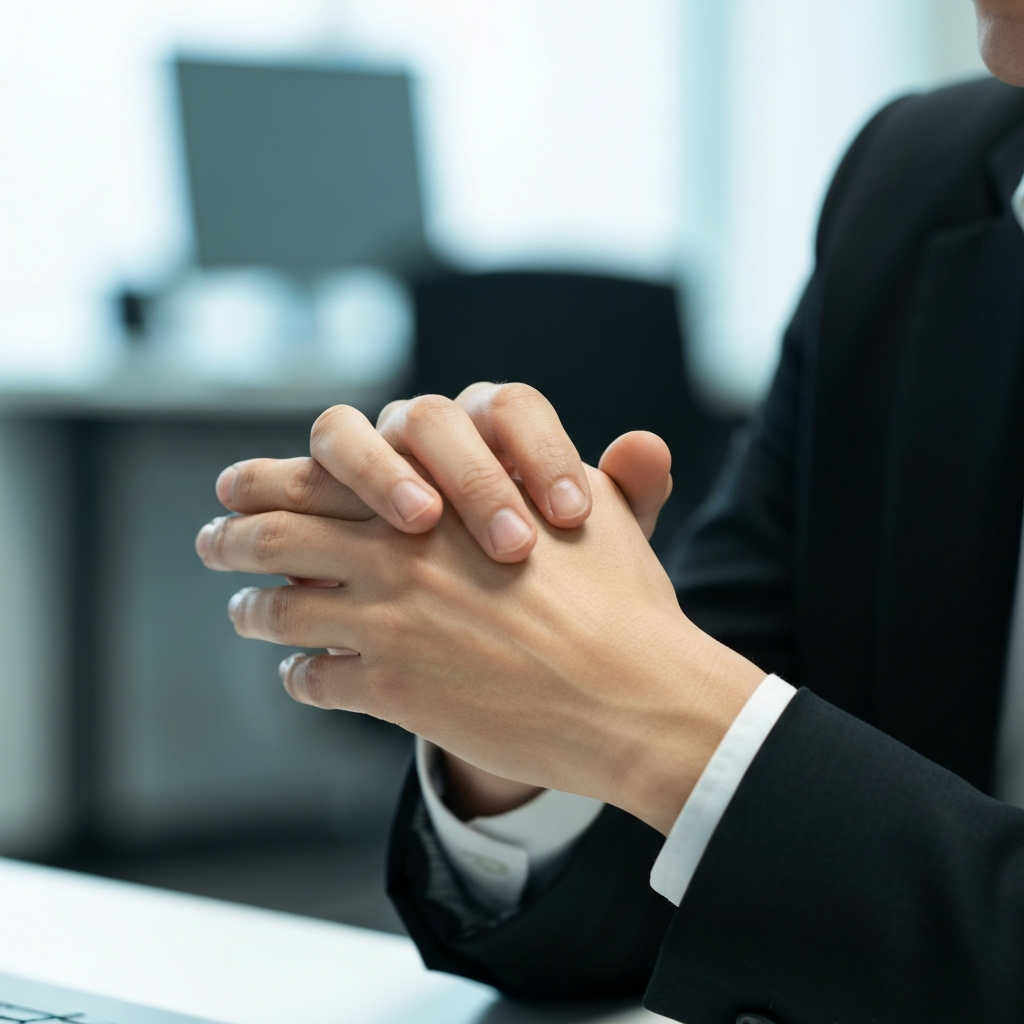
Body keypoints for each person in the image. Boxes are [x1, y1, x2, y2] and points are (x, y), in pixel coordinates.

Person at [195, 4, 1024, 1020]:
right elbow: (708, 833)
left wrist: (667, 728)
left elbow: (712, 745)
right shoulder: (913, 184)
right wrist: (522, 724)